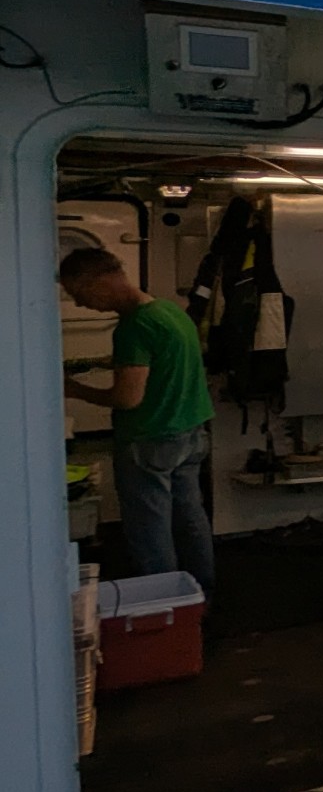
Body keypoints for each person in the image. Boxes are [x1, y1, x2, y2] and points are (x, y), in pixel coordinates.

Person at [60, 248, 217, 594]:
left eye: (80, 294)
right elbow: (162, 364)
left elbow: (127, 398)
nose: (83, 305)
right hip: (190, 433)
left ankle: (161, 604)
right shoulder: (170, 313)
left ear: (100, 282)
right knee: (190, 518)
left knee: (150, 528)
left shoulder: (133, 328)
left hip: (149, 440)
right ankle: (200, 596)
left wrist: (72, 389)